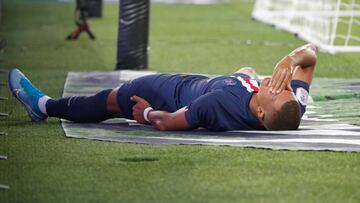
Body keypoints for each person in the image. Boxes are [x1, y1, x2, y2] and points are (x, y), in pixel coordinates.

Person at [8, 44, 317, 131]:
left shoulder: (219, 103)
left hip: (167, 92)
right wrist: (289, 60)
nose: (280, 85)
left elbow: (170, 122)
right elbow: (311, 56)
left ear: (261, 112)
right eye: (287, 89)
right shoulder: (293, 108)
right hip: (205, 81)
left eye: (278, 91)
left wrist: (147, 113)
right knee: (246, 70)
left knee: (114, 100)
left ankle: (44, 106)